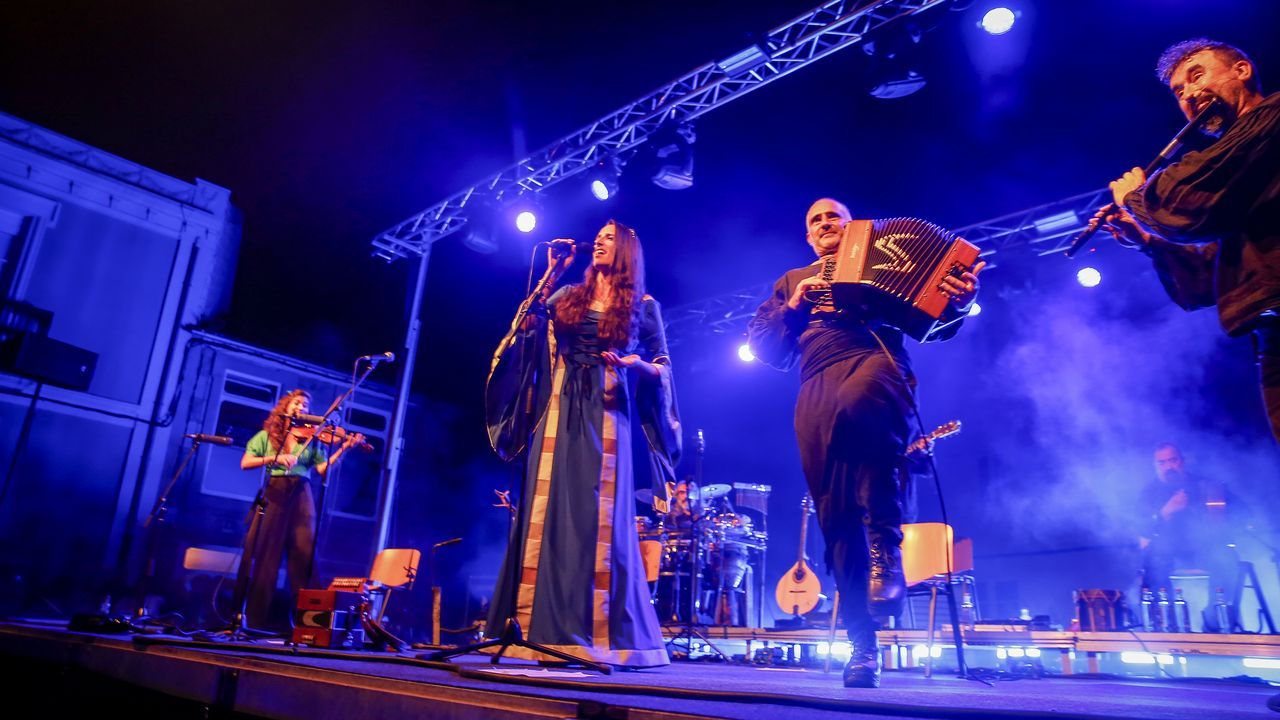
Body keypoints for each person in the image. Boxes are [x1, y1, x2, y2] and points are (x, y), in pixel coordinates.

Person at [748, 198, 982, 688]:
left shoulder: (886, 258)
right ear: (808, 238)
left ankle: (887, 546)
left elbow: (933, 325)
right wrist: (795, 306)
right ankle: (862, 646)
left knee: (860, 403)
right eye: (815, 220)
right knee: (834, 517)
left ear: (851, 226)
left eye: (833, 216)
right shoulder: (792, 282)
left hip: (877, 364)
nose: (825, 223)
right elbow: (764, 348)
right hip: (815, 383)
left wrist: (956, 300)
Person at [485, 220, 681, 668]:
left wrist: (637, 364)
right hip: (557, 411)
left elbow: (665, 367)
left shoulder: (644, 306)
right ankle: (540, 629)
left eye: (610, 238)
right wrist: (551, 272)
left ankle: (596, 634)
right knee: (548, 514)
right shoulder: (566, 296)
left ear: (628, 250)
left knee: (597, 520)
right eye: (598, 236)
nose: (599, 241)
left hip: (609, 414)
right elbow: (525, 328)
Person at [1094, 38, 1280, 441]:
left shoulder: (1271, 118)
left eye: (1197, 76)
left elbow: (1184, 200)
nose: (1190, 94)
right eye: (1179, 92)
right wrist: (1147, 239)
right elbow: (1204, 282)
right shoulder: (1235, 187)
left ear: (1241, 71)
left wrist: (1136, 197)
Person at [239, 389, 363, 629]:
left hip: (302, 493)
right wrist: (274, 459)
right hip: (274, 491)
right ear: (285, 406)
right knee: (265, 556)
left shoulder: (312, 437)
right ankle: (254, 621)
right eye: (297, 403)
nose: (301, 407)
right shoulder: (266, 436)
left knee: (304, 555)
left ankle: (310, 623)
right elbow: (246, 462)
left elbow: (322, 470)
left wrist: (344, 448)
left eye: (305, 405)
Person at [1137, 443, 1241, 628]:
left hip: (1204, 550)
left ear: (1182, 462)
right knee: (1154, 561)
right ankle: (1168, 623)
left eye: (1172, 460)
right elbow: (1141, 530)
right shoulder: (1148, 493)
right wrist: (1165, 512)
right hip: (1167, 553)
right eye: (1162, 463)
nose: (1168, 467)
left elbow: (1244, 513)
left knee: (1227, 558)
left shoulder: (1206, 485)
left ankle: (1215, 621)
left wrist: (1219, 516)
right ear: (1155, 466)